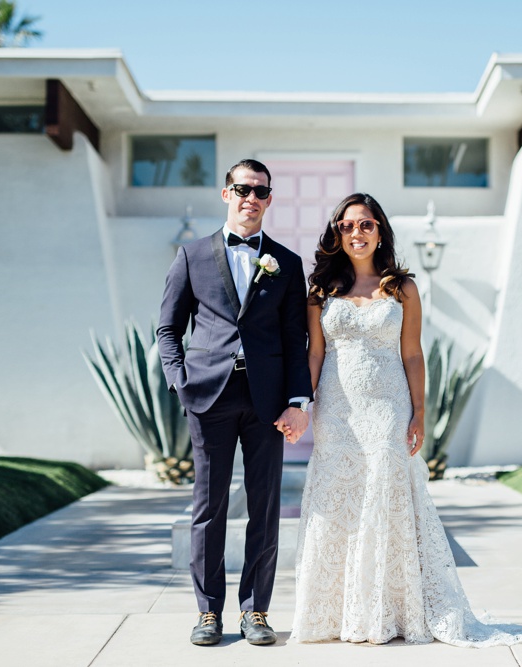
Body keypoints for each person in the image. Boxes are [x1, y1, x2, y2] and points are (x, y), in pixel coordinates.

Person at [291, 192, 522, 647]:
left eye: (365, 225)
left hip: (387, 407)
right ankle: (338, 614)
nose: (356, 233)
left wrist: (419, 412)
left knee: (384, 498)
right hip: (337, 412)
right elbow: (315, 354)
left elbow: (412, 352)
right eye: (347, 226)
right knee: (339, 501)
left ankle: (389, 611)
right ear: (337, 233)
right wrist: (301, 405)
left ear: (380, 230)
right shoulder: (320, 290)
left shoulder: (401, 287)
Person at [158, 159, 312, 647]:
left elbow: (295, 337)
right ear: (226, 194)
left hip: (267, 402)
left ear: (269, 200)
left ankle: (257, 611)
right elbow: (168, 328)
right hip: (209, 396)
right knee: (209, 508)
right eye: (242, 189)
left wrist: (296, 400)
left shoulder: (287, 263)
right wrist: (180, 381)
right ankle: (208, 613)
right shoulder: (191, 255)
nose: (251, 198)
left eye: (261, 192)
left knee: (265, 507)